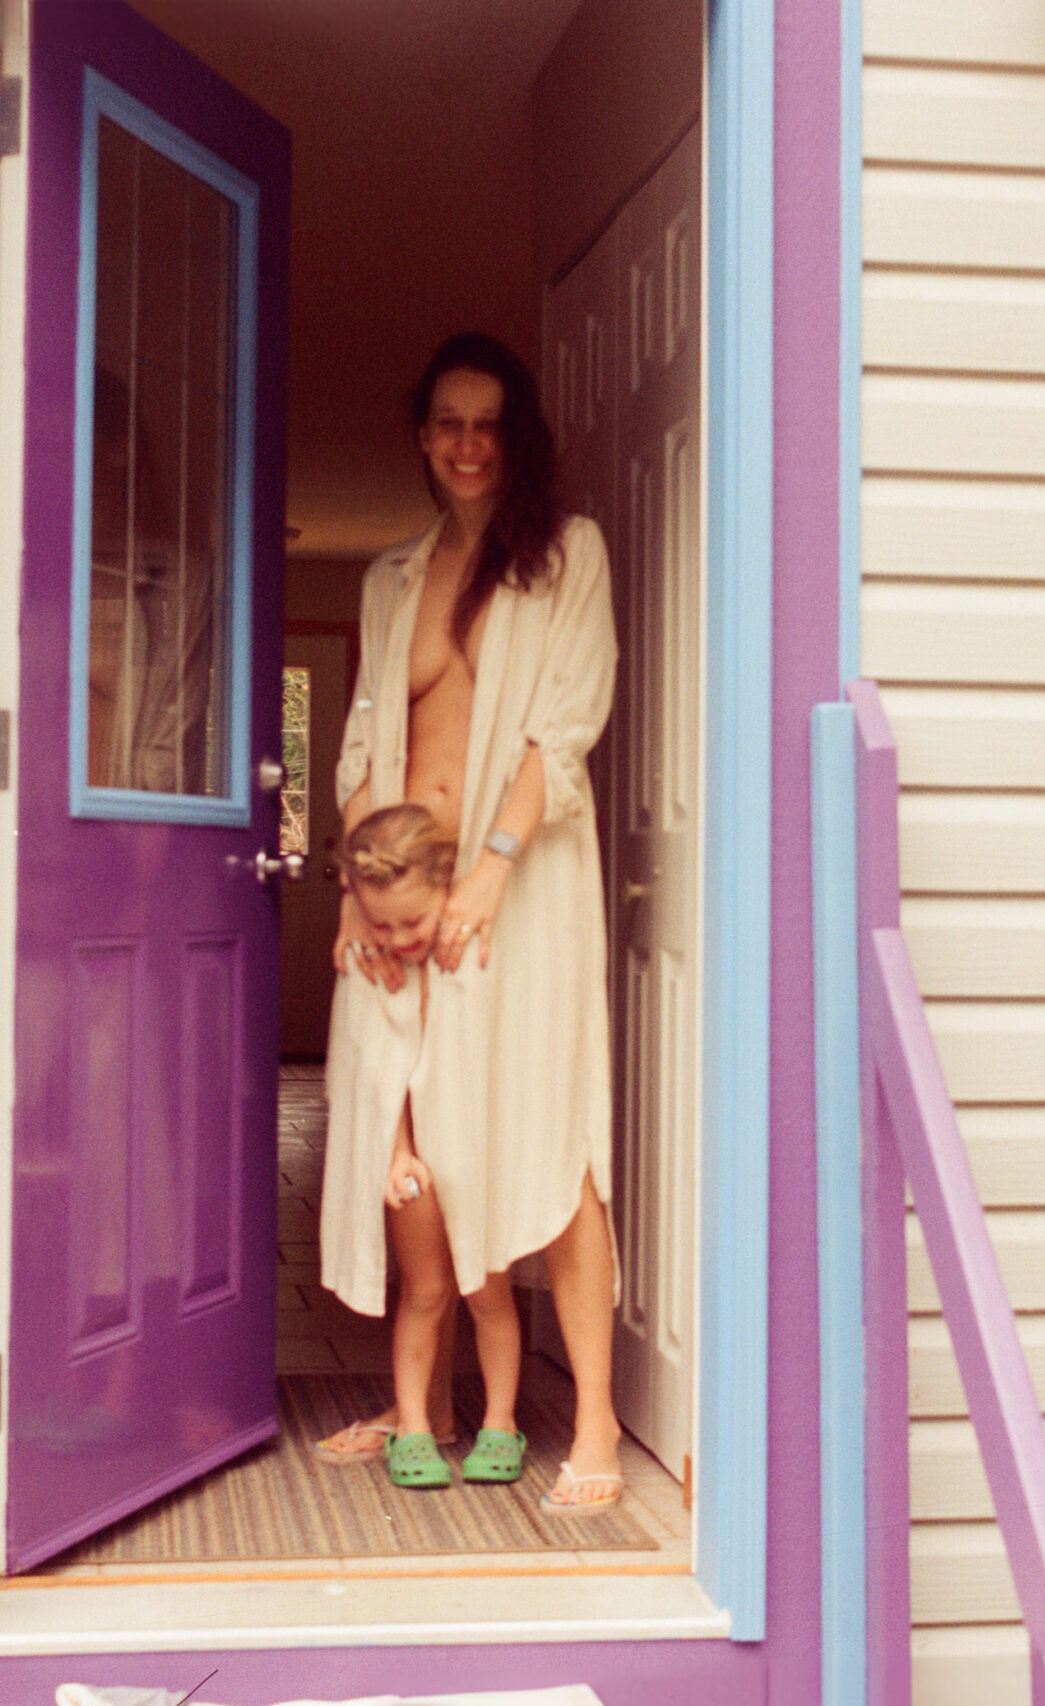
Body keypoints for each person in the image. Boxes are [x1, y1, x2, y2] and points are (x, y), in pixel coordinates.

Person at [314, 332, 623, 1514]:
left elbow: (564, 725)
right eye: (446, 419)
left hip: (516, 895)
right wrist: (359, 885)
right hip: (398, 905)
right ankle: (420, 1407)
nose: (467, 443)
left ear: (519, 434)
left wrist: (490, 869)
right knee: (414, 1145)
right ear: (421, 433)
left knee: (547, 1135)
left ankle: (589, 1416)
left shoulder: (564, 556)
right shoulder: (391, 574)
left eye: (489, 421)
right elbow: (356, 748)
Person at [327, 804, 529, 1488]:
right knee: (426, 1290)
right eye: (380, 923)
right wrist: (395, 1153)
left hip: (478, 1146)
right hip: (417, 1160)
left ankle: (501, 1421)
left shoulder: (473, 956)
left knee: (489, 1289)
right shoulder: (378, 965)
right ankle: (414, 1425)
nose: (398, 937)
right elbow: (384, 1075)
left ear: (448, 888)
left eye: (411, 921)